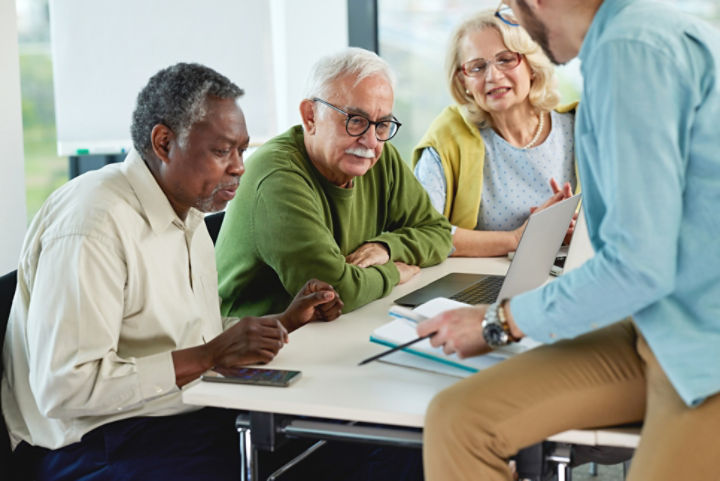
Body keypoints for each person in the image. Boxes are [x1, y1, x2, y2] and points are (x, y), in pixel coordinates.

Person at [418, 1, 720, 480]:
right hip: (656, 323)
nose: (515, 19)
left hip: (702, 344)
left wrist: (499, 322)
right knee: (458, 420)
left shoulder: (629, 50)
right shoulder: (623, 43)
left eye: (510, 9)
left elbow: (637, 265)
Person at [1, 62, 343, 481]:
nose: (239, 166)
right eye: (222, 151)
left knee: (352, 447)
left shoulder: (189, 214)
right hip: (90, 446)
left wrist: (282, 322)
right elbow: (65, 389)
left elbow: (186, 337)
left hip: (179, 416)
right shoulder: (92, 224)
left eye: (242, 150)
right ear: (164, 143)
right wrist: (210, 355)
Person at [216, 47, 453, 318]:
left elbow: (439, 233)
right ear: (310, 116)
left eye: (382, 125)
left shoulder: (378, 157)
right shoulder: (276, 177)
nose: (372, 141)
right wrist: (393, 272)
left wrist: (387, 248)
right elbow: (334, 292)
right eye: (355, 121)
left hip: (332, 328)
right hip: (255, 343)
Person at [412, 9, 577, 257]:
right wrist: (518, 238)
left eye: (506, 59)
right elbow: (421, 231)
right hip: (478, 285)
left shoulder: (577, 128)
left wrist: (576, 232)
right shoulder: (447, 137)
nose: (493, 76)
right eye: (477, 67)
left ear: (532, 65)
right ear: (463, 81)